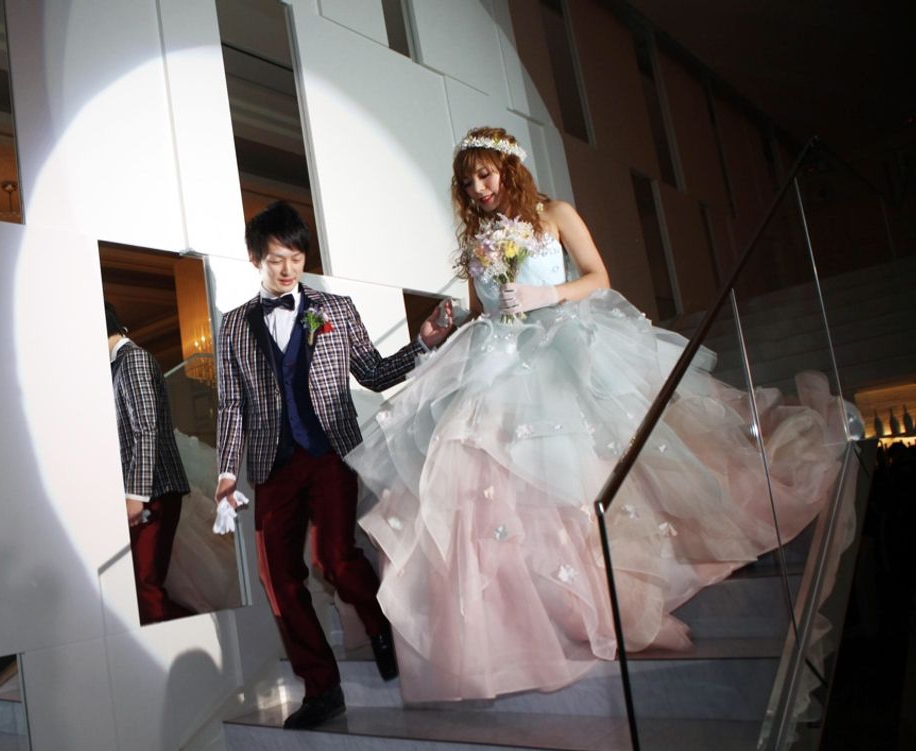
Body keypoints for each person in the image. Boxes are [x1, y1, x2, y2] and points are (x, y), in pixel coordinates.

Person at [345, 127, 845, 702]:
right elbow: (488, 307)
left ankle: (622, 581)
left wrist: (545, 296)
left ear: (508, 168)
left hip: (562, 344)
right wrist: (451, 325)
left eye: (484, 174)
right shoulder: (480, 238)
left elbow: (598, 277)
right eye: (468, 181)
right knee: (486, 470)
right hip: (498, 356)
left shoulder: (554, 213)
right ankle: (545, 608)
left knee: (587, 465)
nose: (478, 188)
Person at [215, 201, 455, 729]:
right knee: (277, 578)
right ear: (255, 259)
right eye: (276, 259)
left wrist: (421, 345)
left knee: (333, 557)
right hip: (273, 464)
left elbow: (372, 372)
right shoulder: (233, 327)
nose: (288, 269)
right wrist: (227, 471)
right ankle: (322, 688)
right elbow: (232, 405)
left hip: (330, 452)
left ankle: (379, 624)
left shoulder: (336, 309)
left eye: (297, 258)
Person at [108, 303, 196, 624]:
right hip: (150, 491)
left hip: (154, 490)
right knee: (142, 588)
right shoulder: (119, 364)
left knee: (145, 587)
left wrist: (136, 495)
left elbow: (146, 428)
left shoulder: (132, 360)